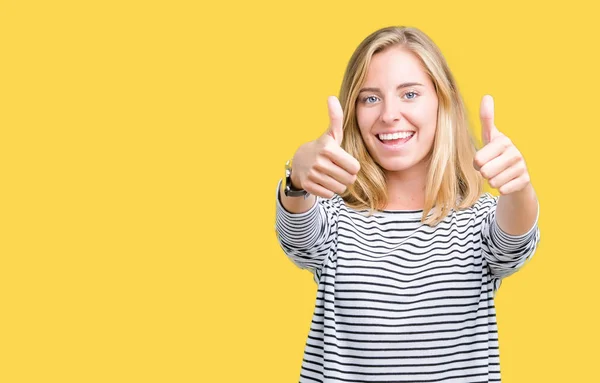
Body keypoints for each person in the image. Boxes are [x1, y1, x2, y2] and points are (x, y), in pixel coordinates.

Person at [274, 26, 540, 383]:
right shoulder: (335, 219)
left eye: (409, 94)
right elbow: (299, 236)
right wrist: (297, 180)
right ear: (354, 113)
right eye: (370, 98)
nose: (389, 115)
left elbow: (513, 240)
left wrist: (518, 187)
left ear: (441, 101)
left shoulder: (477, 221)